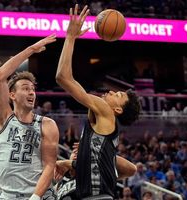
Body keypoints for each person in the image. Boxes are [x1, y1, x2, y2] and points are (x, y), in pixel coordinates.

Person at [55, 4, 141, 199]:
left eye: (117, 95)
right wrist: (87, 158)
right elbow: (130, 169)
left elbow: (63, 77)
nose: (111, 91)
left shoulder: (105, 111)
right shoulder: (105, 132)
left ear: (117, 109)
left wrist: (70, 37)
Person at [0, 35, 59, 200]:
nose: (31, 92)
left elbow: (49, 165)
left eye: (33, 89)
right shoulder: (3, 119)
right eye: (25, 88)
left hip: (40, 196)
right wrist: (31, 50)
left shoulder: (47, 124)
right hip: (8, 196)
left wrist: (35, 197)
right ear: (12, 95)